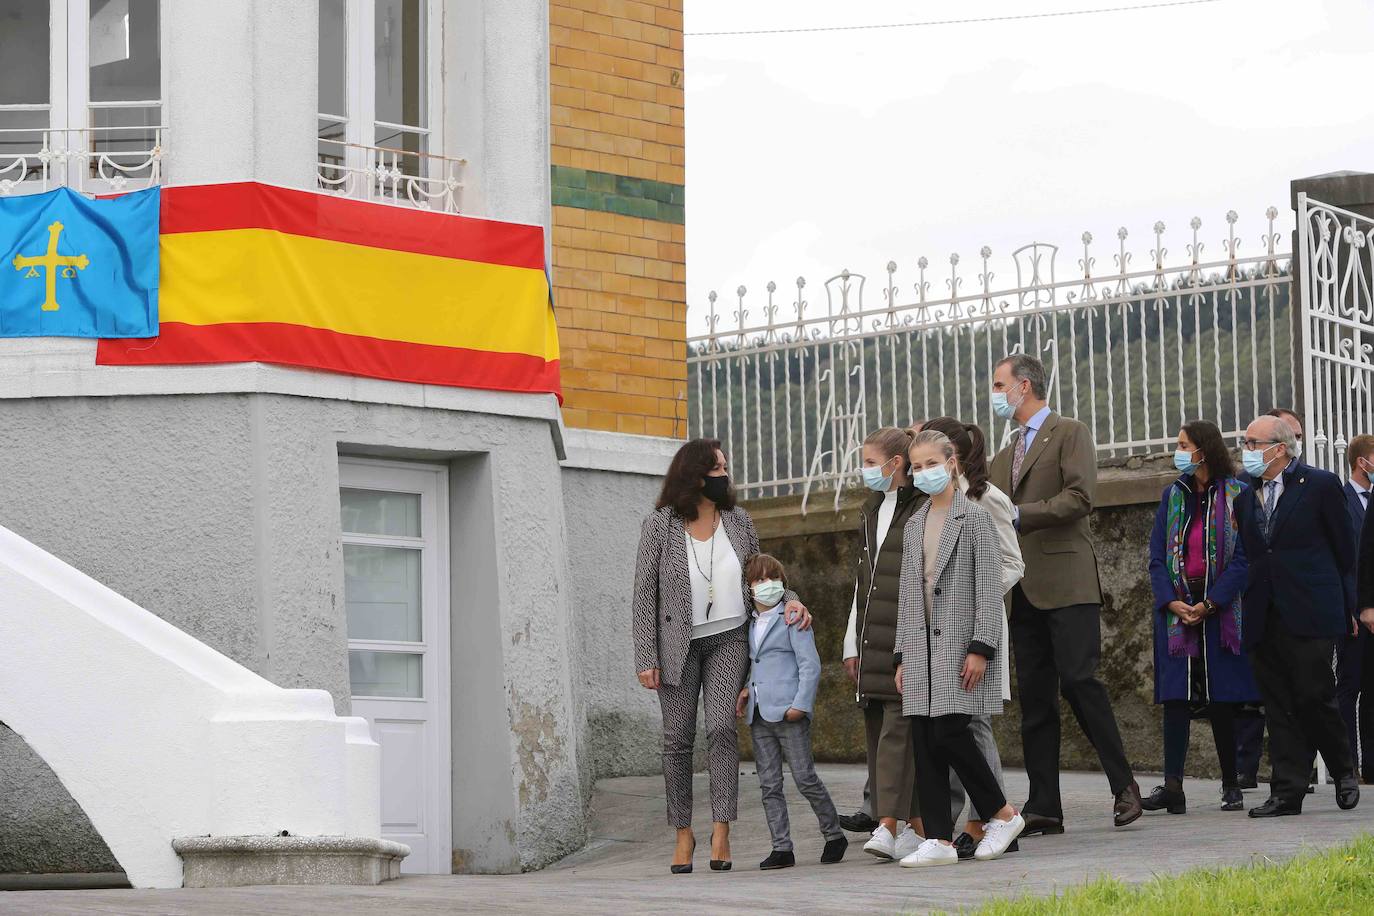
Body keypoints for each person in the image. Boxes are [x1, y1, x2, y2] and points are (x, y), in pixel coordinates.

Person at [632, 438, 811, 873]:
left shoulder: (739, 520)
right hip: (677, 645)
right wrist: (645, 654)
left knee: (721, 730)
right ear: (694, 475)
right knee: (676, 741)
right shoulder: (660, 525)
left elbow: (761, 574)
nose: (724, 476)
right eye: (718, 468)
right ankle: (682, 833)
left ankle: (721, 830)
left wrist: (791, 599)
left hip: (730, 639)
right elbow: (643, 595)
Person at [988, 354, 1143, 832]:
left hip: (1067, 581)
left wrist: (1019, 514)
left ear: (1025, 385)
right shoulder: (1004, 452)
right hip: (1021, 590)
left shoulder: (1069, 432)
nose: (994, 393)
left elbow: (1079, 498)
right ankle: (1044, 807)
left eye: (999, 384)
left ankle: (1124, 786)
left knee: (1080, 681)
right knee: (1035, 701)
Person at [892, 430, 1025, 867]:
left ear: (952, 463)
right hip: (921, 647)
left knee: (951, 731)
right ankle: (938, 839)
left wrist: (981, 647)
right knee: (925, 738)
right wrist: (901, 655)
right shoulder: (914, 524)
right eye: (917, 466)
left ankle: (1002, 814)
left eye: (933, 463)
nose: (924, 472)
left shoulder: (976, 519)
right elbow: (908, 594)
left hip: (960, 643)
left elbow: (988, 590)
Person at [1236, 414, 1360, 816]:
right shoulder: (1244, 494)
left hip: (1311, 610)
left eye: (1254, 443)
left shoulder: (1320, 485)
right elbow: (1256, 554)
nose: (1248, 451)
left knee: (1313, 695)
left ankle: (1343, 770)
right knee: (1278, 704)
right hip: (1265, 612)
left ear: (1281, 447)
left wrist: (1350, 605)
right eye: (1247, 443)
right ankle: (1287, 791)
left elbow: (1345, 550)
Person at [1143, 421, 1259, 814]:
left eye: (1182, 445)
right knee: (1176, 697)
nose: (1177, 451)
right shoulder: (1172, 495)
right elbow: (1156, 556)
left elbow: (1245, 557)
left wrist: (1212, 603)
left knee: (1220, 698)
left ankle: (1231, 783)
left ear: (1203, 450)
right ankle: (1173, 786)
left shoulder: (1237, 494)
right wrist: (1170, 601)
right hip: (1177, 612)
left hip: (1219, 610)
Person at [838, 427, 928, 862]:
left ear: (896, 463)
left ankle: (886, 822)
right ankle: (912, 826)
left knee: (898, 728)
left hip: (903, 635)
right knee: (879, 732)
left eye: (871, 461)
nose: (866, 470)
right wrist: (850, 643)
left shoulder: (922, 508)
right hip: (871, 635)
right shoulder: (871, 509)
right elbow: (863, 582)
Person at [735, 554, 847, 870]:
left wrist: (801, 704)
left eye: (773, 578)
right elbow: (756, 663)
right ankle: (781, 847)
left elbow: (809, 665)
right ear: (749, 588)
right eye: (758, 580)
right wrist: (746, 688)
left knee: (804, 777)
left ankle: (833, 834)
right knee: (769, 784)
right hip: (759, 714)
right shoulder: (750, 622)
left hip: (789, 712)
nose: (766, 585)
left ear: (784, 584)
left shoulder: (793, 617)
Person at [1344, 435, 1374, 782]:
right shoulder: (1341, 497)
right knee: (1349, 687)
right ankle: (1348, 764)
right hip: (1354, 610)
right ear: (1360, 462)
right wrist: (1355, 607)